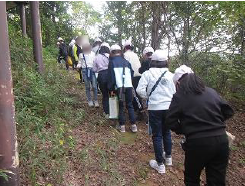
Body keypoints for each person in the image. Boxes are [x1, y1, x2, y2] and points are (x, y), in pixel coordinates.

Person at [166, 65, 234, 186]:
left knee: (192, 179)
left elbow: (170, 121)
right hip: (221, 141)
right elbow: (229, 111)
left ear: (179, 83)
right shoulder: (211, 92)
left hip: (198, 144)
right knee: (217, 181)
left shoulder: (180, 96)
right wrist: (215, 123)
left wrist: (186, 129)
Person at [136, 50, 176, 174]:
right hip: (169, 107)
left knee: (157, 135)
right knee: (167, 132)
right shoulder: (171, 75)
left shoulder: (147, 74)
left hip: (155, 107)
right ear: (165, 62)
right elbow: (175, 92)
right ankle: (168, 158)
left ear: (152, 61)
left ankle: (160, 164)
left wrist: (149, 97)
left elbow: (139, 90)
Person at [107, 44, 137, 133]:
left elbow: (111, 77)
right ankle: (134, 126)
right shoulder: (126, 62)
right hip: (128, 85)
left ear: (111, 52)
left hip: (118, 86)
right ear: (120, 52)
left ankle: (122, 126)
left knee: (120, 106)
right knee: (130, 105)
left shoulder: (112, 62)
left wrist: (110, 88)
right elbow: (131, 73)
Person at [123, 39, 143, 119]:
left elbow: (126, 66)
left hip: (132, 76)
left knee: (134, 95)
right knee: (137, 94)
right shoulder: (135, 54)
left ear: (125, 48)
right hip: (139, 75)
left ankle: (139, 111)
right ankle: (138, 110)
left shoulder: (125, 55)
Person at [77, 39, 99, 107]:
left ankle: (95, 100)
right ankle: (89, 100)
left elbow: (95, 62)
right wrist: (78, 66)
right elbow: (80, 63)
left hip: (92, 71)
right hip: (85, 71)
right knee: (87, 87)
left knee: (95, 86)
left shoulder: (93, 54)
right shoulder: (81, 55)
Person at [93, 42, 110, 118]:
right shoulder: (109, 56)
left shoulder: (96, 57)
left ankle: (106, 112)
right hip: (110, 75)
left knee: (105, 95)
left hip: (101, 76)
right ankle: (113, 111)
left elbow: (94, 69)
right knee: (112, 93)